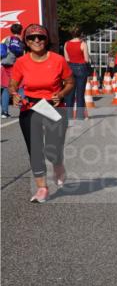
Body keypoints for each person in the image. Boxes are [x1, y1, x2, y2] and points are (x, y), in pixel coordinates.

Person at [8, 24, 74, 203]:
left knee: (52, 150)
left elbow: (70, 82)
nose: (36, 40)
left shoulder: (58, 60)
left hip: (54, 107)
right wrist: (14, 93)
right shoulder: (21, 62)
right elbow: (13, 83)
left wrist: (61, 94)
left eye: (41, 37)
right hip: (30, 107)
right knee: (35, 149)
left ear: (47, 40)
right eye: (31, 37)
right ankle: (42, 188)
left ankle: (58, 165)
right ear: (26, 41)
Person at [63, 28, 91, 121]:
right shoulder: (83, 44)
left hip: (70, 68)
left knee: (69, 93)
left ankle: (69, 115)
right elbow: (86, 59)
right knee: (80, 94)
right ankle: (80, 116)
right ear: (80, 34)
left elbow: (67, 59)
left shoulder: (66, 44)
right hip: (81, 68)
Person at [1, 23, 26, 118]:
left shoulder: (5, 39)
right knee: (21, 87)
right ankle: (22, 109)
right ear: (21, 31)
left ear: (11, 30)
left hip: (5, 65)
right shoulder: (21, 41)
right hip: (16, 66)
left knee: (6, 88)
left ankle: (4, 112)